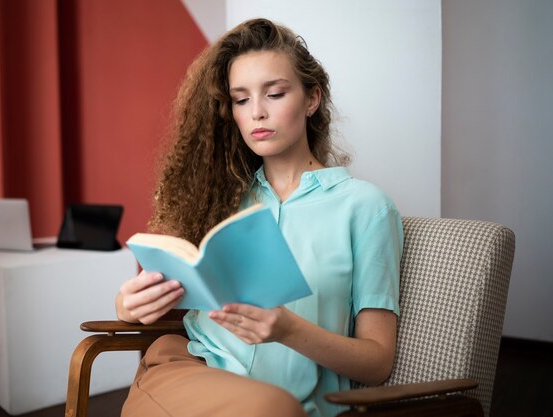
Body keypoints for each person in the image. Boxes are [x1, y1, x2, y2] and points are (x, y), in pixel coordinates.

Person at [116, 18, 403, 417]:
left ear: (312, 99)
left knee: (272, 408)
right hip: (186, 370)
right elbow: (177, 294)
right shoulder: (220, 197)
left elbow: (377, 363)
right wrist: (129, 307)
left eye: (275, 93)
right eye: (241, 99)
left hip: (287, 406)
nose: (257, 113)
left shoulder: (366, 208)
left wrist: (289, 331)